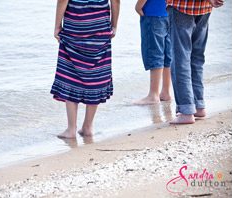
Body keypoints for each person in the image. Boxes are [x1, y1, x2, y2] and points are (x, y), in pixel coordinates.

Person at [51, 0, 120, 138]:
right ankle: (87, 126)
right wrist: (114, 25)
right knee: (96, 76)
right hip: (100, 27)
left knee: (70, 75)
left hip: (75, 28)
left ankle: (71, 129)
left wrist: (57, 25)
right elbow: (116, 1)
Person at [167, 0, 225, 124]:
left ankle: (186, 111)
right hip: (204, 7)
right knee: (196, 58)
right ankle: (198, 105)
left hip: (182, 5)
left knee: (180, 59)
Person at [133, 0, 172, 105]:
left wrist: (138, 6)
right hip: (170, 12)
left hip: (153, 12)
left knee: (155, 52)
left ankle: (153, 94)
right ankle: (166, 91)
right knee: (167, 53)